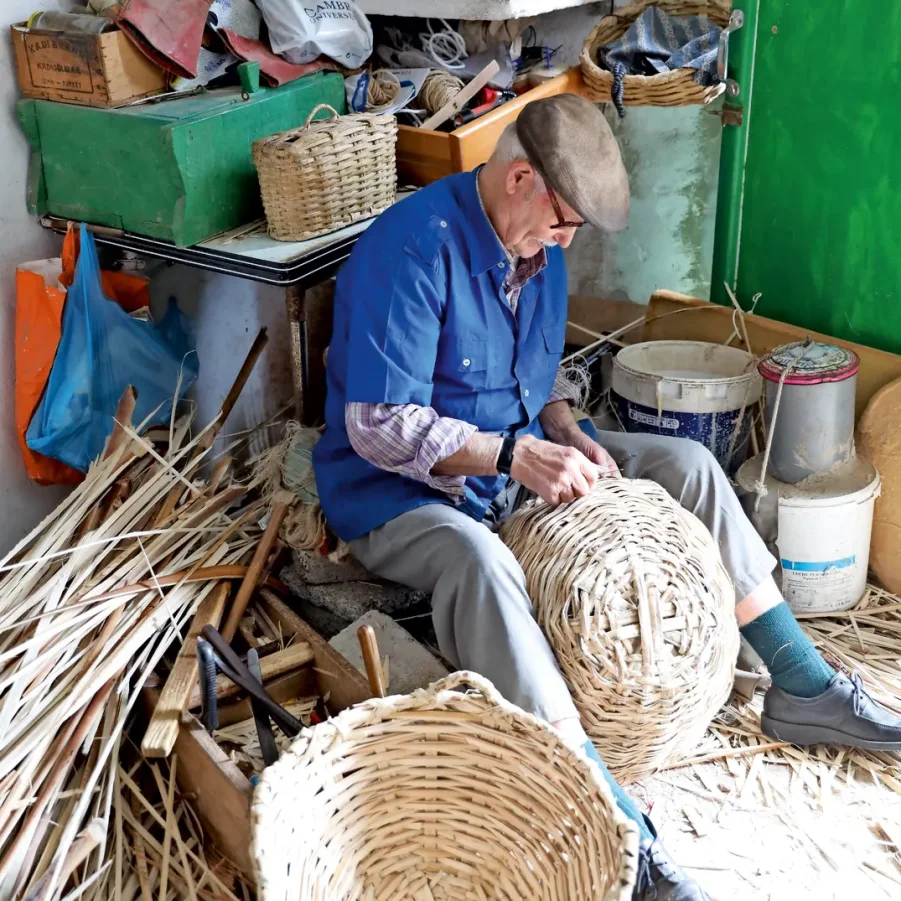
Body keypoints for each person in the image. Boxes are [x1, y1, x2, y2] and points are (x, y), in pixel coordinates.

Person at [313, 94, 901, 900]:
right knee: (480, 563)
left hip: (517, 453)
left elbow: (539, 372)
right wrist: (513, 454)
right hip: (397, 489)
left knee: (686, 464)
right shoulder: (411, 248)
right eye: (564, 222)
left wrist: (565, 427)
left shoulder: (537, 249)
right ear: (519, 179)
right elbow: (378, 424)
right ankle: (607, 811)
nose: (566, 242)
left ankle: (800, 681)